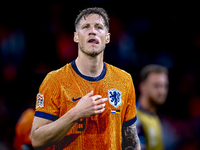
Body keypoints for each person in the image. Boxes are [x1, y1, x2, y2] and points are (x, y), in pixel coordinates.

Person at [30, 7, 141, 150]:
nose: (92, 31)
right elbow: (37, 140)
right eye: (86, 26)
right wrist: (76, 113)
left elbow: (131, 140)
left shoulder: (124, 80)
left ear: (107, 37)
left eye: (99, 27)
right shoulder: (55, 80)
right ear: (76, 36)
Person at [136, 64, 169, 150]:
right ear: (142, 87)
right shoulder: (134, 119)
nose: (162, 91)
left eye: (165, 86)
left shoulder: (153, 116)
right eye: (156, 86)